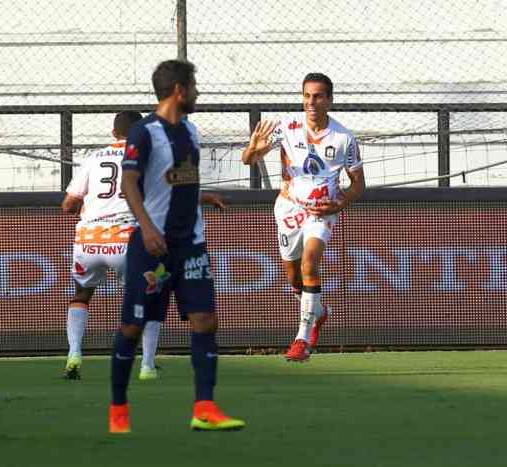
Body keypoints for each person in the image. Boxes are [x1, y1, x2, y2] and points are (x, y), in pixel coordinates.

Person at [109, 59, 243, 433]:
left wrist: (202, 196)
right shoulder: (143, 131)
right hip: (152, 247)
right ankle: (119, 407)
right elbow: (130, 184)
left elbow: (175, 181)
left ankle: (205, 407)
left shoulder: (191, 129)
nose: (198, 92)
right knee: (133, 327)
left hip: (192, 245)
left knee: (205, 320)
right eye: (194, 86)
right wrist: (147, 228)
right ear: (180, 90)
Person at [241, 72, 365, 362]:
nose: (311, 102)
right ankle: (318, 311)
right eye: (307, 95)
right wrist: (253, 150)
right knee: (294, 277)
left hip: (322, 211)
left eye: (318, 96)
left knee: (311, 262)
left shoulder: (344, 138)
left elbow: (358, 184)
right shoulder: (287, 127)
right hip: (288, 208)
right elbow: (248, 159)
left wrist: (339, 204)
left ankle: (302, 340)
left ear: (329, 100)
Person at [61, 111, 164, 381]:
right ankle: (148, 365)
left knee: (81, 295)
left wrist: (85, 205)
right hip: (127, 239)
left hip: (90, 240)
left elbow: (69, 204)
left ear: (113, 133)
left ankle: (74, 354)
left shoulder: (93, 158)